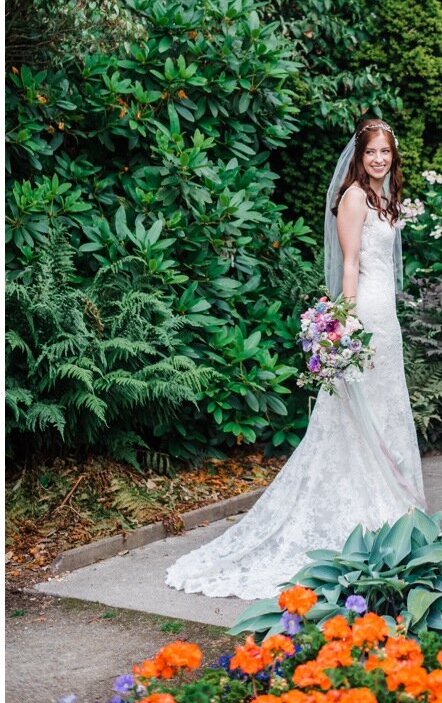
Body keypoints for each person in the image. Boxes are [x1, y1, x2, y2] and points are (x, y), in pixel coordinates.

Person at [165, 118, 426, 599]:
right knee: (352, 417)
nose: (379, 160)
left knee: (385, 411)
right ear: (358, 156)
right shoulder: (354, 198)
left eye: (385, 152)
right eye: (371, 152)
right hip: (365, 315)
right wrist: (346, 324)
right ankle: (364, 513)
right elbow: (350, 263)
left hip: (387, 323)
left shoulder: (387, 199)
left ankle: (395, 509)